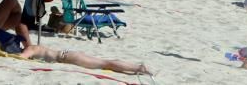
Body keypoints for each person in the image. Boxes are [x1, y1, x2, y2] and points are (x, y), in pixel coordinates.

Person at [18, 44, 151, 75]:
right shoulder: (36, 47)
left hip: (66, 57)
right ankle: (136, 67)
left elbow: (20, 58)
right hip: (67, 55)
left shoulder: (31, 48)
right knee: (105, 62)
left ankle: (138, 68)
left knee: (106, 63)